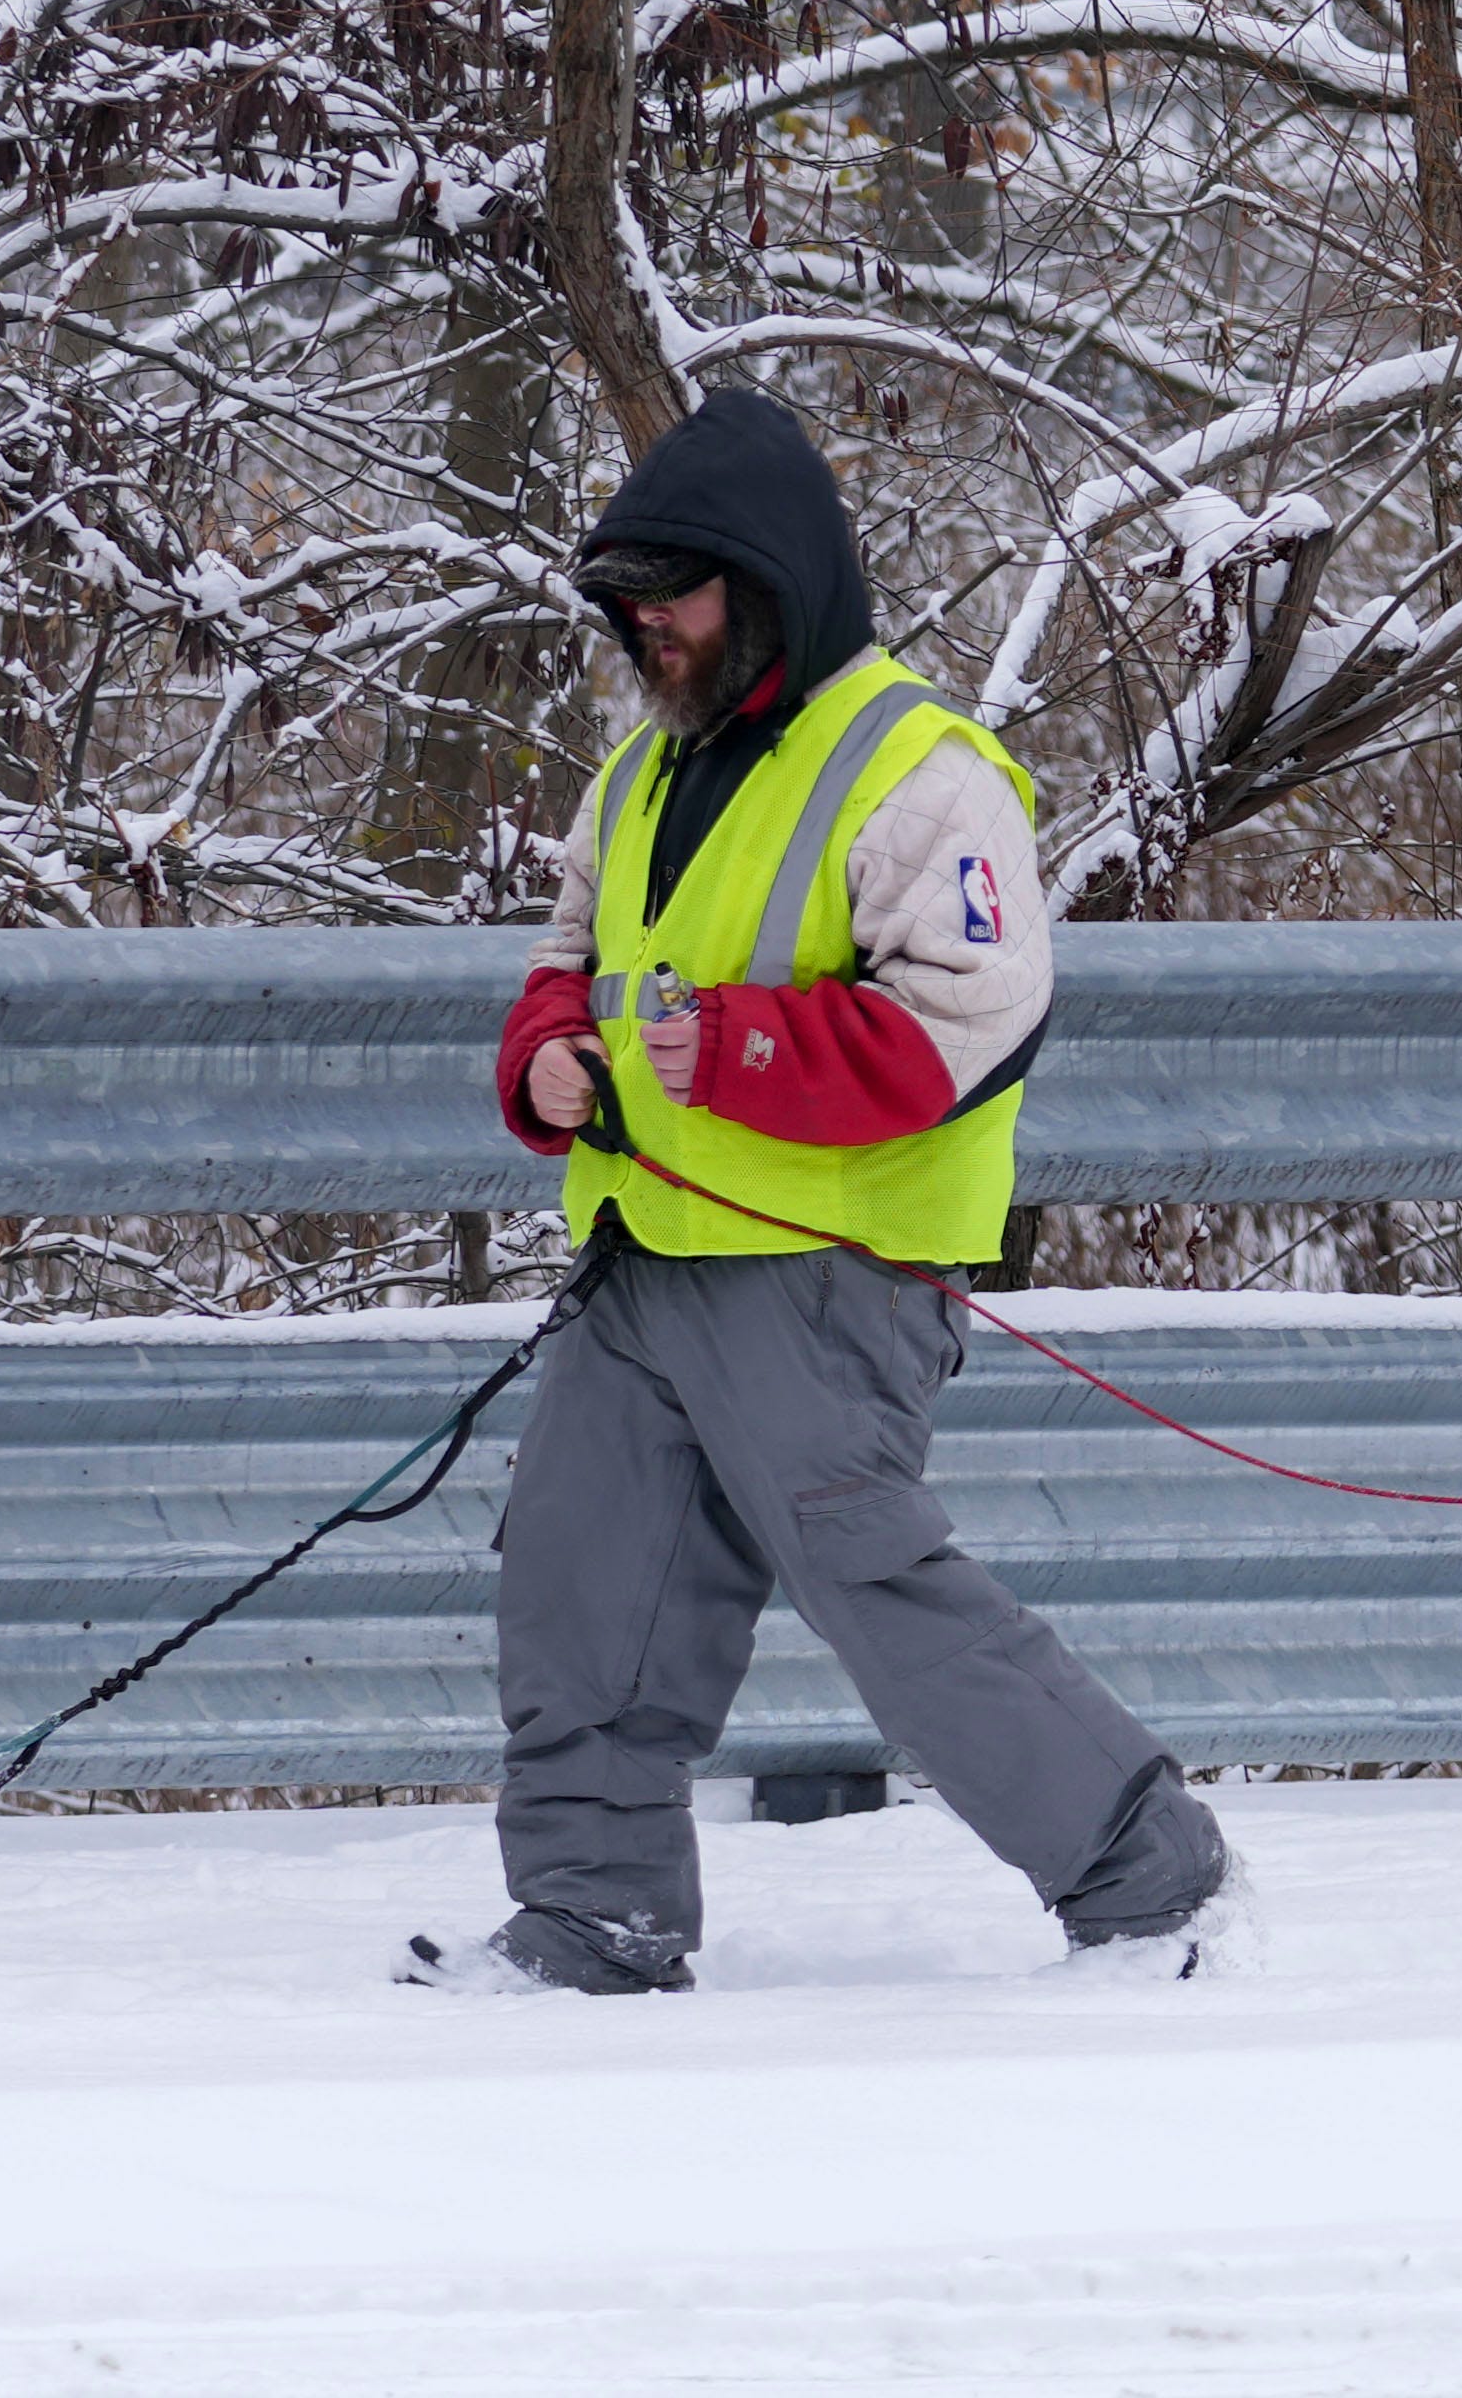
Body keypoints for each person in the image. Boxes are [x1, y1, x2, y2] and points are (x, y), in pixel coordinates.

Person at [399, 391, 1232, 1995]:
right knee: (579, 1598)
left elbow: (966, 1028)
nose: (649, 627)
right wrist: (547, 1059)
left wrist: (728, 1051)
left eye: (678, 595)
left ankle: (1152, 1880)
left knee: (883, 1604)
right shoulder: (642, 775)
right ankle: (597, 1919)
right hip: (646, 1262)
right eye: (629, 602)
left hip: (829, 1277)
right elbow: (564, 965)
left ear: (771, 583)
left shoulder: (923, 773)